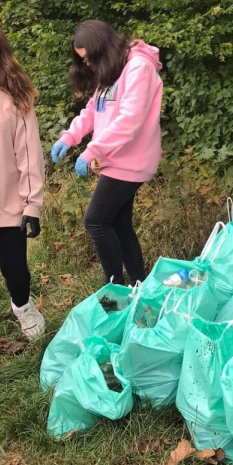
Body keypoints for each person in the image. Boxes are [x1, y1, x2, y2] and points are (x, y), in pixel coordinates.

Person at [51, 21, 163, 286]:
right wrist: (69, 137)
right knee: (120, 225)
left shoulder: (139, 67)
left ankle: (114, 290)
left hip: (131, 160)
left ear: (104, 48)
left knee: (96, 222)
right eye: (83, 60)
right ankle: (139, 286)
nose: (88, 64)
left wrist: (92, 151)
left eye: (89, 58)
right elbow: (94, 108)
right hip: (115, 159)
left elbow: (130, 120)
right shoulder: (112, 68)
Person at [0, 22, 45, 339]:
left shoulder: (16, 100)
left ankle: (23, 307)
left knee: (15, 268)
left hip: (5, 200)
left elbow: (29, 154)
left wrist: (32, 204)